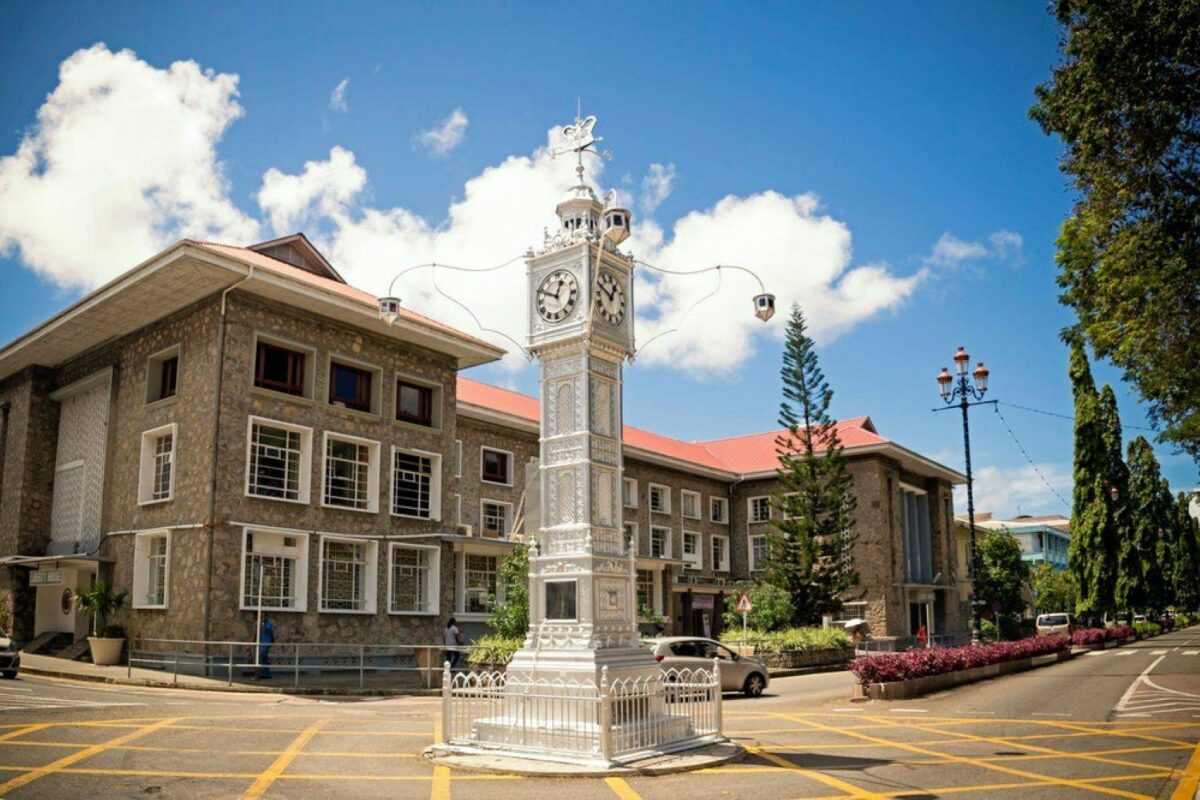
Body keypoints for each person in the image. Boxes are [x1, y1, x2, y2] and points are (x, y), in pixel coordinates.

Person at [257, 614, 274, 679]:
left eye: (264, 617)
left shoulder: (269, 624)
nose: (262, 618)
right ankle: (267, 673)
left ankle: (264, 673)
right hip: (262, 643)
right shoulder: (262, 624)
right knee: (264, 658)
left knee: (261, 657)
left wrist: (263, 624)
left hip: (266, 643)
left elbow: (267, 630)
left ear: (266, 617)